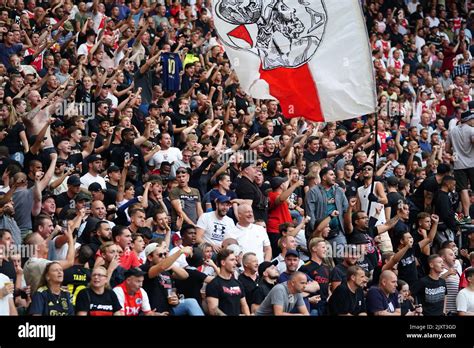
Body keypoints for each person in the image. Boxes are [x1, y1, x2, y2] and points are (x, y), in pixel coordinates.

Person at [445, 105, 474, 224]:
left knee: (463, 190)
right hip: (472, 163)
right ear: (468, 119)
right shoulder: (472, 130)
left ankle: (466, 215)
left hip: (459, 165)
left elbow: (447, 149)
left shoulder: (452, 131)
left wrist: (457, 152)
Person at [206, 248, 250, 316]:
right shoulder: (213, 284)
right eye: (232, 260)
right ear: (223, 262)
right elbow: (213, 310)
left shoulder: (238, 283)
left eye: (235, 260)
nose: (235, 262)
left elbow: (244, 305)